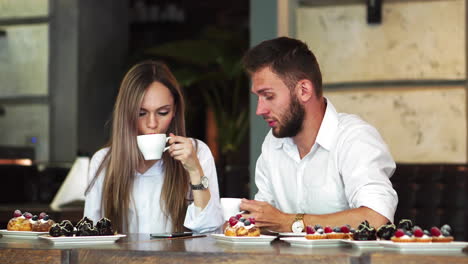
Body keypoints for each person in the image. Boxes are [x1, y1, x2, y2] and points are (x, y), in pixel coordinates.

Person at [240, 37, 398, 232]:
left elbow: (376, 217)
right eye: (258, 98)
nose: (260, 110)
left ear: (304, 90)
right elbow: (264, 219)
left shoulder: (354, 138)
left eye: (269, 96)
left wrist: (289, 222)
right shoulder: (272, 143)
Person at [84, 60, 223, 234]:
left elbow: (210, 229)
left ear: (174, 112)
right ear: (126, 114)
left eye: (163, 112)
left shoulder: (197, 151)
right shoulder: (103, 161)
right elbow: (90, 236)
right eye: (141, 113)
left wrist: (194, 170)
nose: (152, 123)